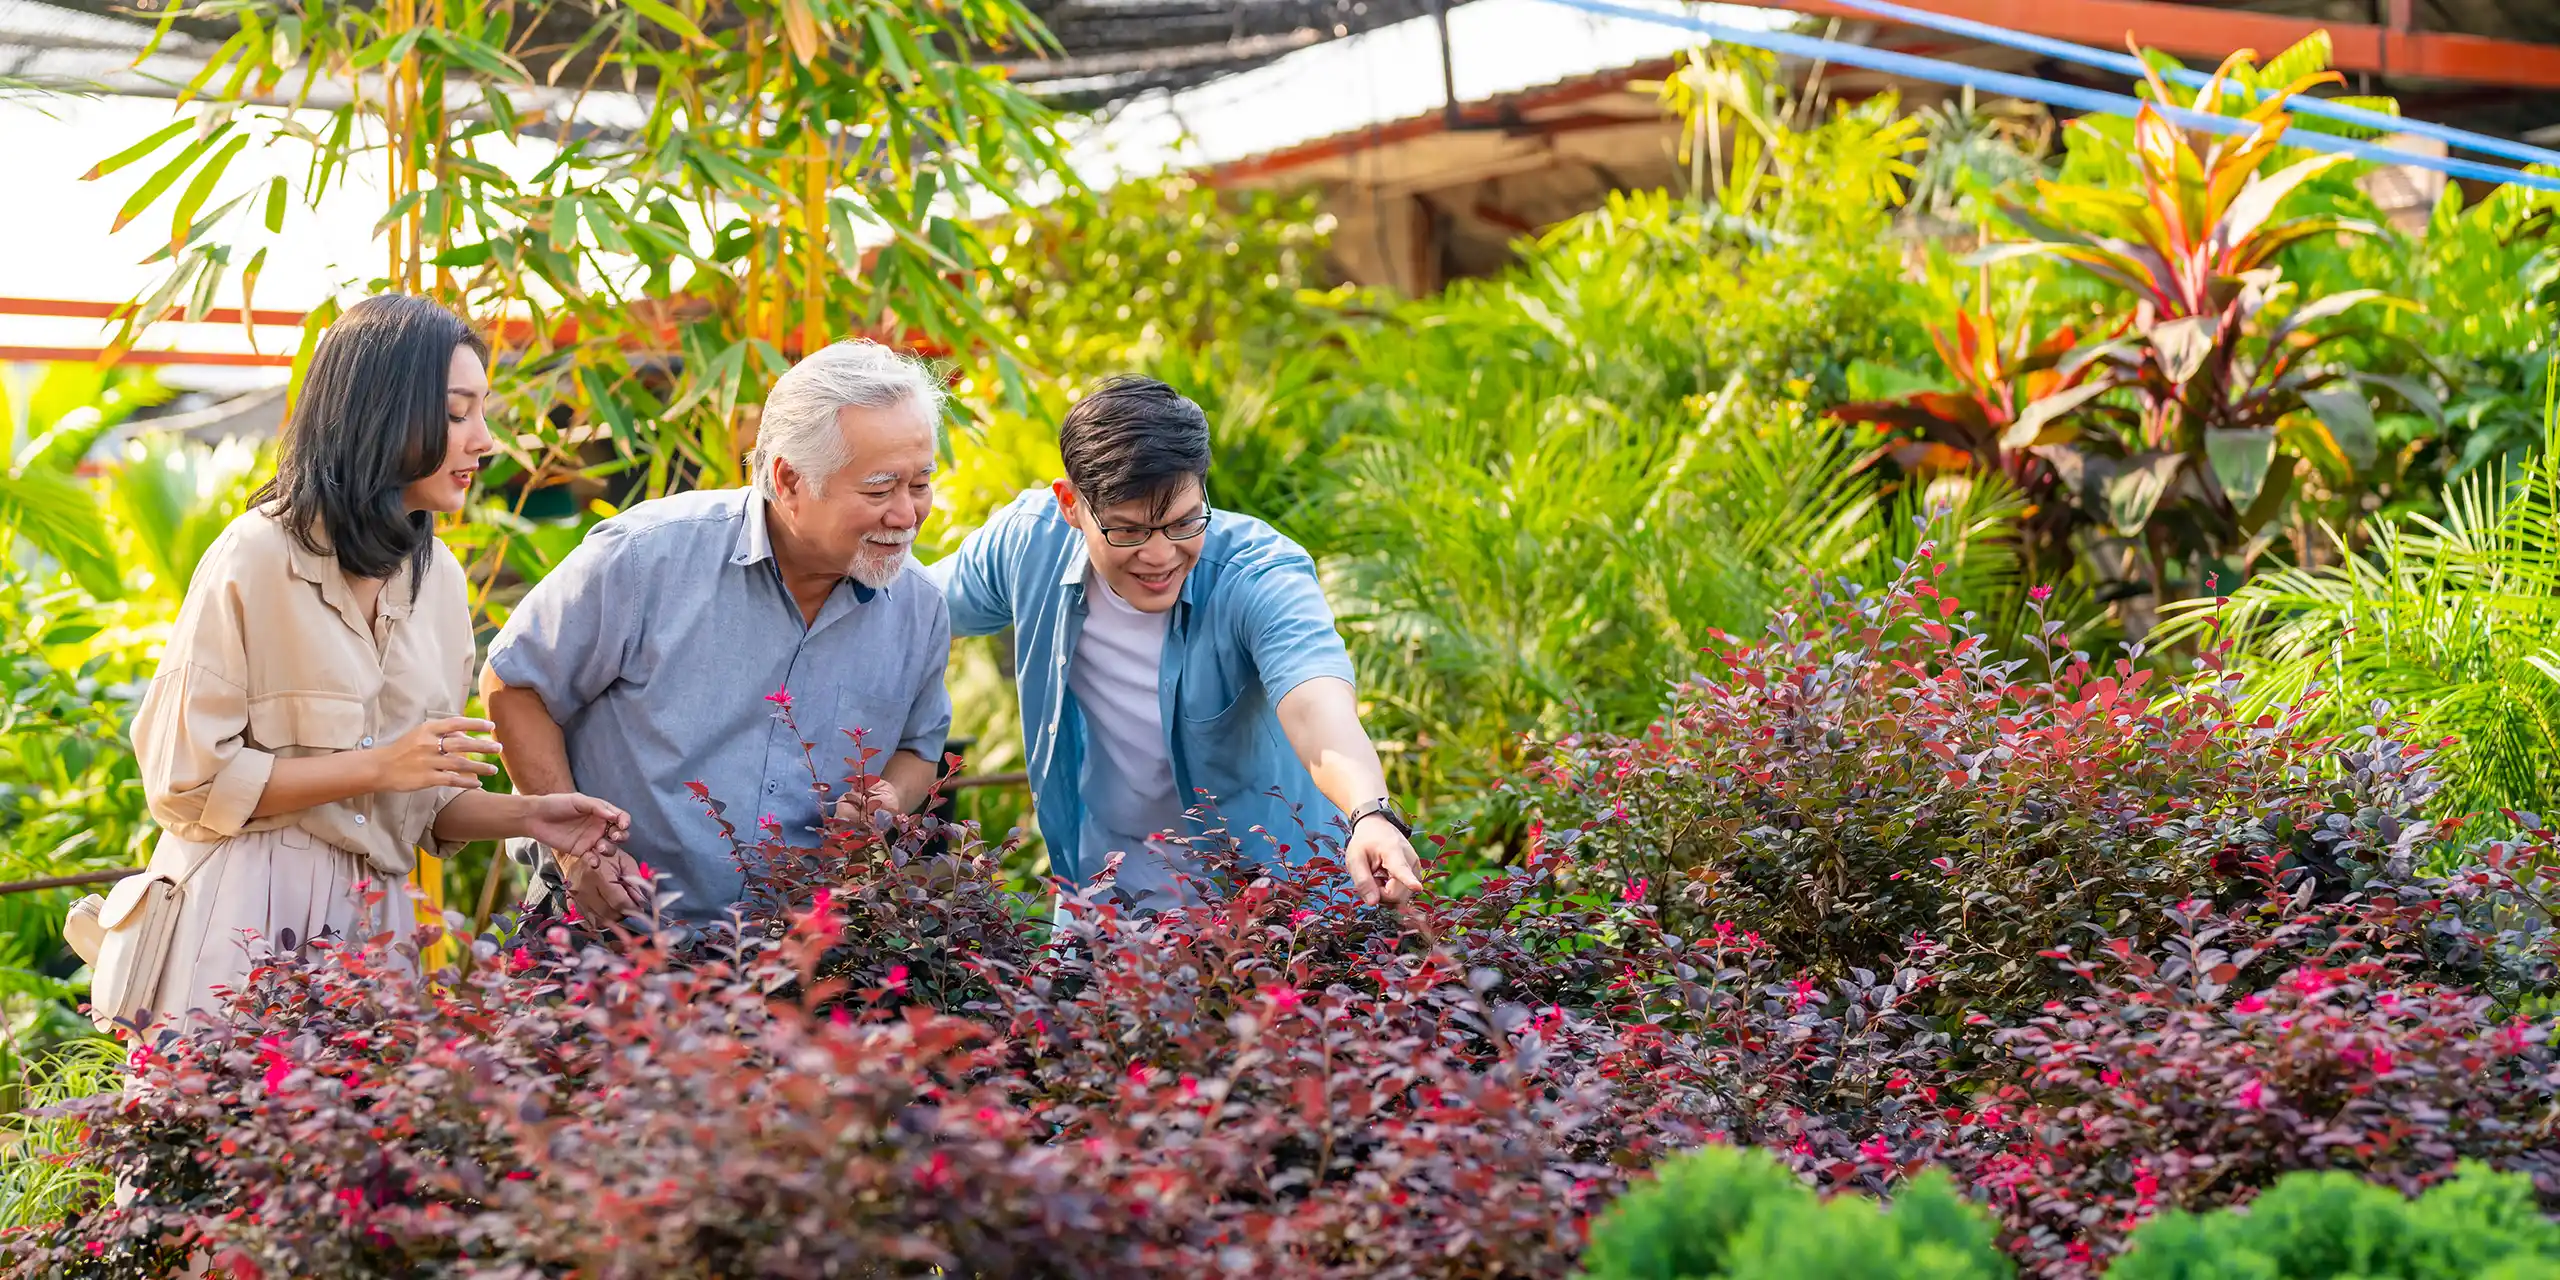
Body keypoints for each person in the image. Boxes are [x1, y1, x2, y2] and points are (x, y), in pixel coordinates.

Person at [99, 294, 632, 1028]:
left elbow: (424, 800)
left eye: (483, 412)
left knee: (359, 1142)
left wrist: (532, 814)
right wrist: (378, 766)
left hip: (373, 934)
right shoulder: (256, 555)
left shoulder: (438, 577)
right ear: (383, 411)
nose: (485, 441)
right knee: (219, 1138)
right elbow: (187, 786)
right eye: (457, 413)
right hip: (238, 922)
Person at [481, 340, 953, 926]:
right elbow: (513, 685)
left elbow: (919, 746)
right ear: (788, 481)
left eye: (921, 484)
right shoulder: (644, 559)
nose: (907, 515)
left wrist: (891, 801)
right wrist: (576, 853)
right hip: (610, 939)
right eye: (880, 489)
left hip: (802, 963)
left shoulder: (920, 607)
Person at [925, 377, 1425, 911]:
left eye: (1182, 522)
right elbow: (910, 609)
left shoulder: (1256, 572)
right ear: (1071, 505)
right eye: (1128, 531)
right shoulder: (1031, 545)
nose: (1161, 555)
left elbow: (1316, 704)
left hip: (1273, 901)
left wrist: (1369, 812)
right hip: (1111, 890)